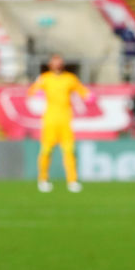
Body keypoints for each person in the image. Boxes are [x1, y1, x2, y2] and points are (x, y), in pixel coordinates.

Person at [27, 53, 89, 193]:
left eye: (59, 61)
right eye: (55, 62)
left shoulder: (70, 79)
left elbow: (83, 91)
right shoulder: (45, 78)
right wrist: (37, 93)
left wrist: (89, 96)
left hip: (65, 120)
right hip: (50, 120)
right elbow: (31, 91)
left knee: (69, 151)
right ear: (50, 64)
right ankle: (43, 179)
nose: (57, 64)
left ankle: (72, 181)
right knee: (46, 150)